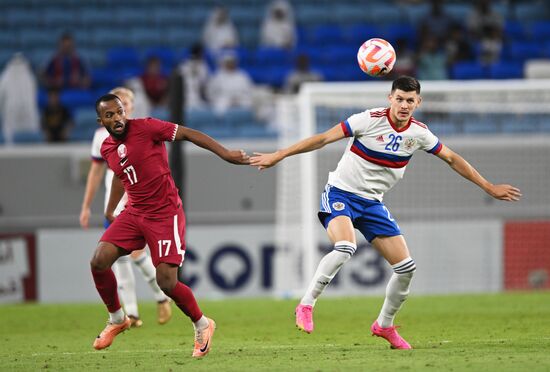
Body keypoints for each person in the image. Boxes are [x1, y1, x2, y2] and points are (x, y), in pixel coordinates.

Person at [250, 76, 521, 349]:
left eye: (410, 101)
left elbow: (452, 158)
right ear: (390, 98)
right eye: (400, 99)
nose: (404, 105)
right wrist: (278, 155)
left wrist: (488, 186)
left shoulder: (419, 134)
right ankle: (306, 305)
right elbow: (322, 139)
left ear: (418, 102)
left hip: (372, 204)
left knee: (406, 269)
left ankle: (384, 325)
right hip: (340, 193)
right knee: (345, 246)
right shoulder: (367, 120)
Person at [90, 93, 249, 357]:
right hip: (134, 212)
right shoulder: (107, 147)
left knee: (166, 281)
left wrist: (225, 154)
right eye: (110, 115)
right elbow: (121, 173)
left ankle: (202, 324)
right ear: (101, 120)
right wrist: (110, 207)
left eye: (120, 112)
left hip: (164, 213)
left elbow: (188, 133)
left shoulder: (147, 127)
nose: (118, 118)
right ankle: (117, 318)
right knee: (98, 260)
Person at [80, 87, 171, 328]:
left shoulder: (142, 130)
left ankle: (161, 297)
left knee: (137, 254)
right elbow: (97, 172)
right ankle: (132, 313)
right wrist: (86, 206)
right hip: (115, 198)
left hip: (140, 200)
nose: (124, 109)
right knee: (118, 261)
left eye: (127, 104)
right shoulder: (101, 137)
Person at [0, 53, 40, 145]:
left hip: (24, 111)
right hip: (13, 112)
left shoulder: (29, 77)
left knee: (31, 132)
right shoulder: (7, 76)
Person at [178, 43, 210, 110]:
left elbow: (204, 84)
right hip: (185, 97)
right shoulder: (184, 66)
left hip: (198, 97)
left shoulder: (203, 66)